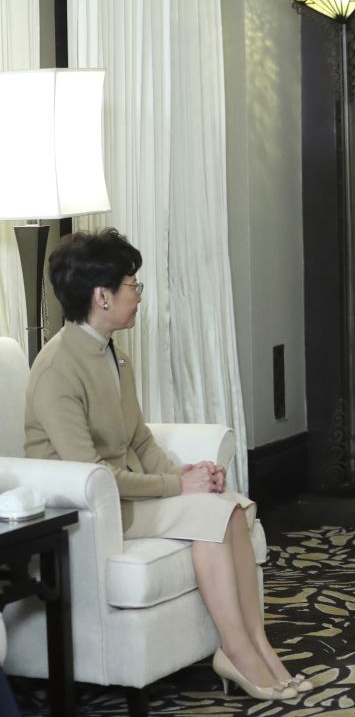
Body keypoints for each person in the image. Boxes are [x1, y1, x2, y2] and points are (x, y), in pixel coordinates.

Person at [23, 229, 310, 702]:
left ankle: (258, 647)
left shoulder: (113, 354)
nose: (138, 297)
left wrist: (188, 474)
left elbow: (138, 438)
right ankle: (236, 652)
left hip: (128, 495)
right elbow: (90, 475)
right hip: (97, 512)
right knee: (217, 512)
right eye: (132, 285)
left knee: (233, 506)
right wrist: (177, 487)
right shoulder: (57, 369)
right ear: (102, 295)